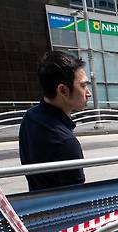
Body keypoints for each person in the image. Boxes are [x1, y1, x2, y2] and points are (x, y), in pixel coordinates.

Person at [19, 51, 91, 192]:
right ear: (63, 90)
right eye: (83, 86)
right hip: (60, 211)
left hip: (38, 203)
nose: (88, 93)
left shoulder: (30, 117)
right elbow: (76, 199)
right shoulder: (66, 142)